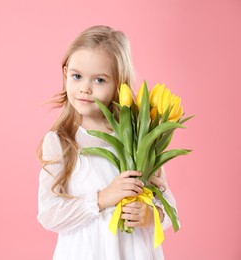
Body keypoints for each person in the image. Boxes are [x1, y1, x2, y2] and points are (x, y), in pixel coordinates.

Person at [36, 25, 177, 260]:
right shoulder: (61, 142)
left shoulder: (140, 139)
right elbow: (49, 215)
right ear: (65, 73)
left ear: (118, 85)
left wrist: (153, 216)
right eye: (77, 76)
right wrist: (102, 199)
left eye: (100, 80)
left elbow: (170, 206)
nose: (85, 88)